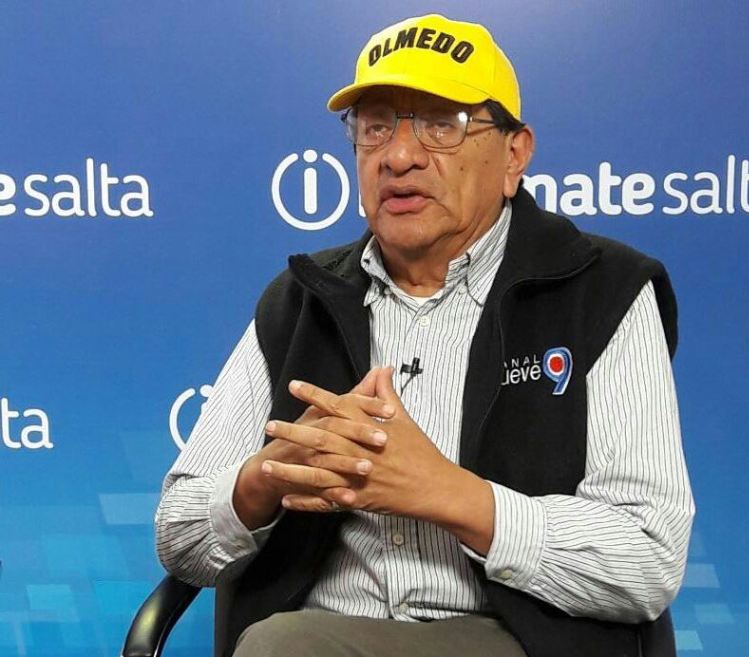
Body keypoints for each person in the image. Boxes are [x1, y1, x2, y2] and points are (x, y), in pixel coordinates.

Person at [155, 13, 694, 657]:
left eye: (442, 123)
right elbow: (180, 534)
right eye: (375, 126)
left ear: (514, 154)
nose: (400, 155)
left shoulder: (603, 291)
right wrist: (263, 481)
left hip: (519, 640)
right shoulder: (300, 300)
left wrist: (454, 496)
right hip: (323, 635)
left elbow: (647, 556)